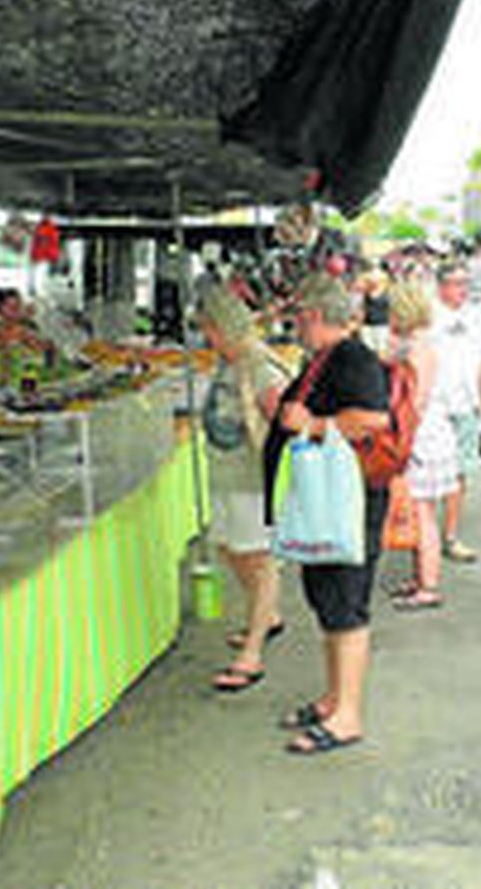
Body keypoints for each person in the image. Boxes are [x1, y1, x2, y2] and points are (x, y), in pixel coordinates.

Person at [265, 276, 390, 755]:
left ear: (315, 316)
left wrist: (314, 423)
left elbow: (375, 420)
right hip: (328, 501)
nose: (293, 324)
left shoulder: (353, 358)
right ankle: (334, 698)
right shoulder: (328, 357)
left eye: (297, 316)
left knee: (346, 603)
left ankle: (348, 715)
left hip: (347, 501)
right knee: (328, 602)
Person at [197, 285, 293, 693]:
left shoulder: (259, 365)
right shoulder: (227, 362)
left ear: (224, 328)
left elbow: (285, 421)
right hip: (226, 475)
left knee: (259, 557)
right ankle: (265, 614)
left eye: (209, 331)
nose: (206, 339)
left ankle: (252, 653)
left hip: (254, 480)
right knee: (231, 549)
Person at [386, 282, 452, 611]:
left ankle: (428, 585)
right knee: (419, 509)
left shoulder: (417, 348)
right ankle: (421, 577)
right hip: (430, 432)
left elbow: (418, 400)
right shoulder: (419, 343)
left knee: (423, 512)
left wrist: (401, 436)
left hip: (423, 435)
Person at [430, 261, 481, 564]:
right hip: (433, 407)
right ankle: (425, 534)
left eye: (466, 283)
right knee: (428, 474)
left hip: (466, 406)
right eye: (456, 283)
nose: (463, 289)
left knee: (460, 473)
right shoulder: (428, 314)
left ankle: (450, 536)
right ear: (441, 285)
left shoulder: (479, 316)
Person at [0, 288, 53, 389]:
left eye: (19, 307)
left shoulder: (21, 330)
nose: (17, 311)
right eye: (13, 308)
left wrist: (47, 346)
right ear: (0, 307)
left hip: (16, 385)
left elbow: (38, 350)